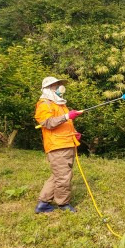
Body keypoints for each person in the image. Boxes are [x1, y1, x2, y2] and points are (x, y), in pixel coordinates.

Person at [34, 76, 83, 214]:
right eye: (56, 85)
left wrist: (74, 133)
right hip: (57, 146)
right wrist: (67, 116)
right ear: (48, 88)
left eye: (60, 85)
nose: (60, 88)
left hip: (66, 143)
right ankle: (63, 204)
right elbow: (48, 123)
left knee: (58, 175)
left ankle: (43, 204)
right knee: (63, 177)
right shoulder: (44, 104)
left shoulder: (60, 104)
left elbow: (64, 124)